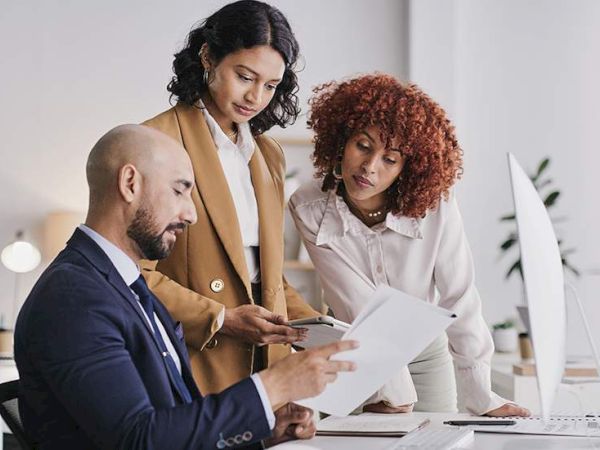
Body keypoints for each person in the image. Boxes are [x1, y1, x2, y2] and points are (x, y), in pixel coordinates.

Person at [14, 124, 358, 449]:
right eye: (180, 190)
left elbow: (173, 428)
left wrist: (262, 435)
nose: (191, 215)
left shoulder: (125, 285)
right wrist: (273, 387)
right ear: (130, 183)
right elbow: (138, 440)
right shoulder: (74, 298)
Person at [288, 74, 530, 417]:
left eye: (390, 159)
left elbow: (458, 296)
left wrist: (481, 395)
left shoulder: (436, 206)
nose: (369, 167)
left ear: (408, 168)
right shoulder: (309, 206)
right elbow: (354, 300)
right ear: (342, 139)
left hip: (427, 353)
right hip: (353, 350)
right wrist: (391, 390)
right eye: (363, 145)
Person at [141, 0, 319, 396]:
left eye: (271, 86)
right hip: (193, 358)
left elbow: (263, 275)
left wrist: (323, 331)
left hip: (265, 363)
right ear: (207, 56)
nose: (256, 96)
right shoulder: (156, 143)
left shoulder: (268, 154)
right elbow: (131, 273)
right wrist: (220, 318)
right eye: (245, 76)